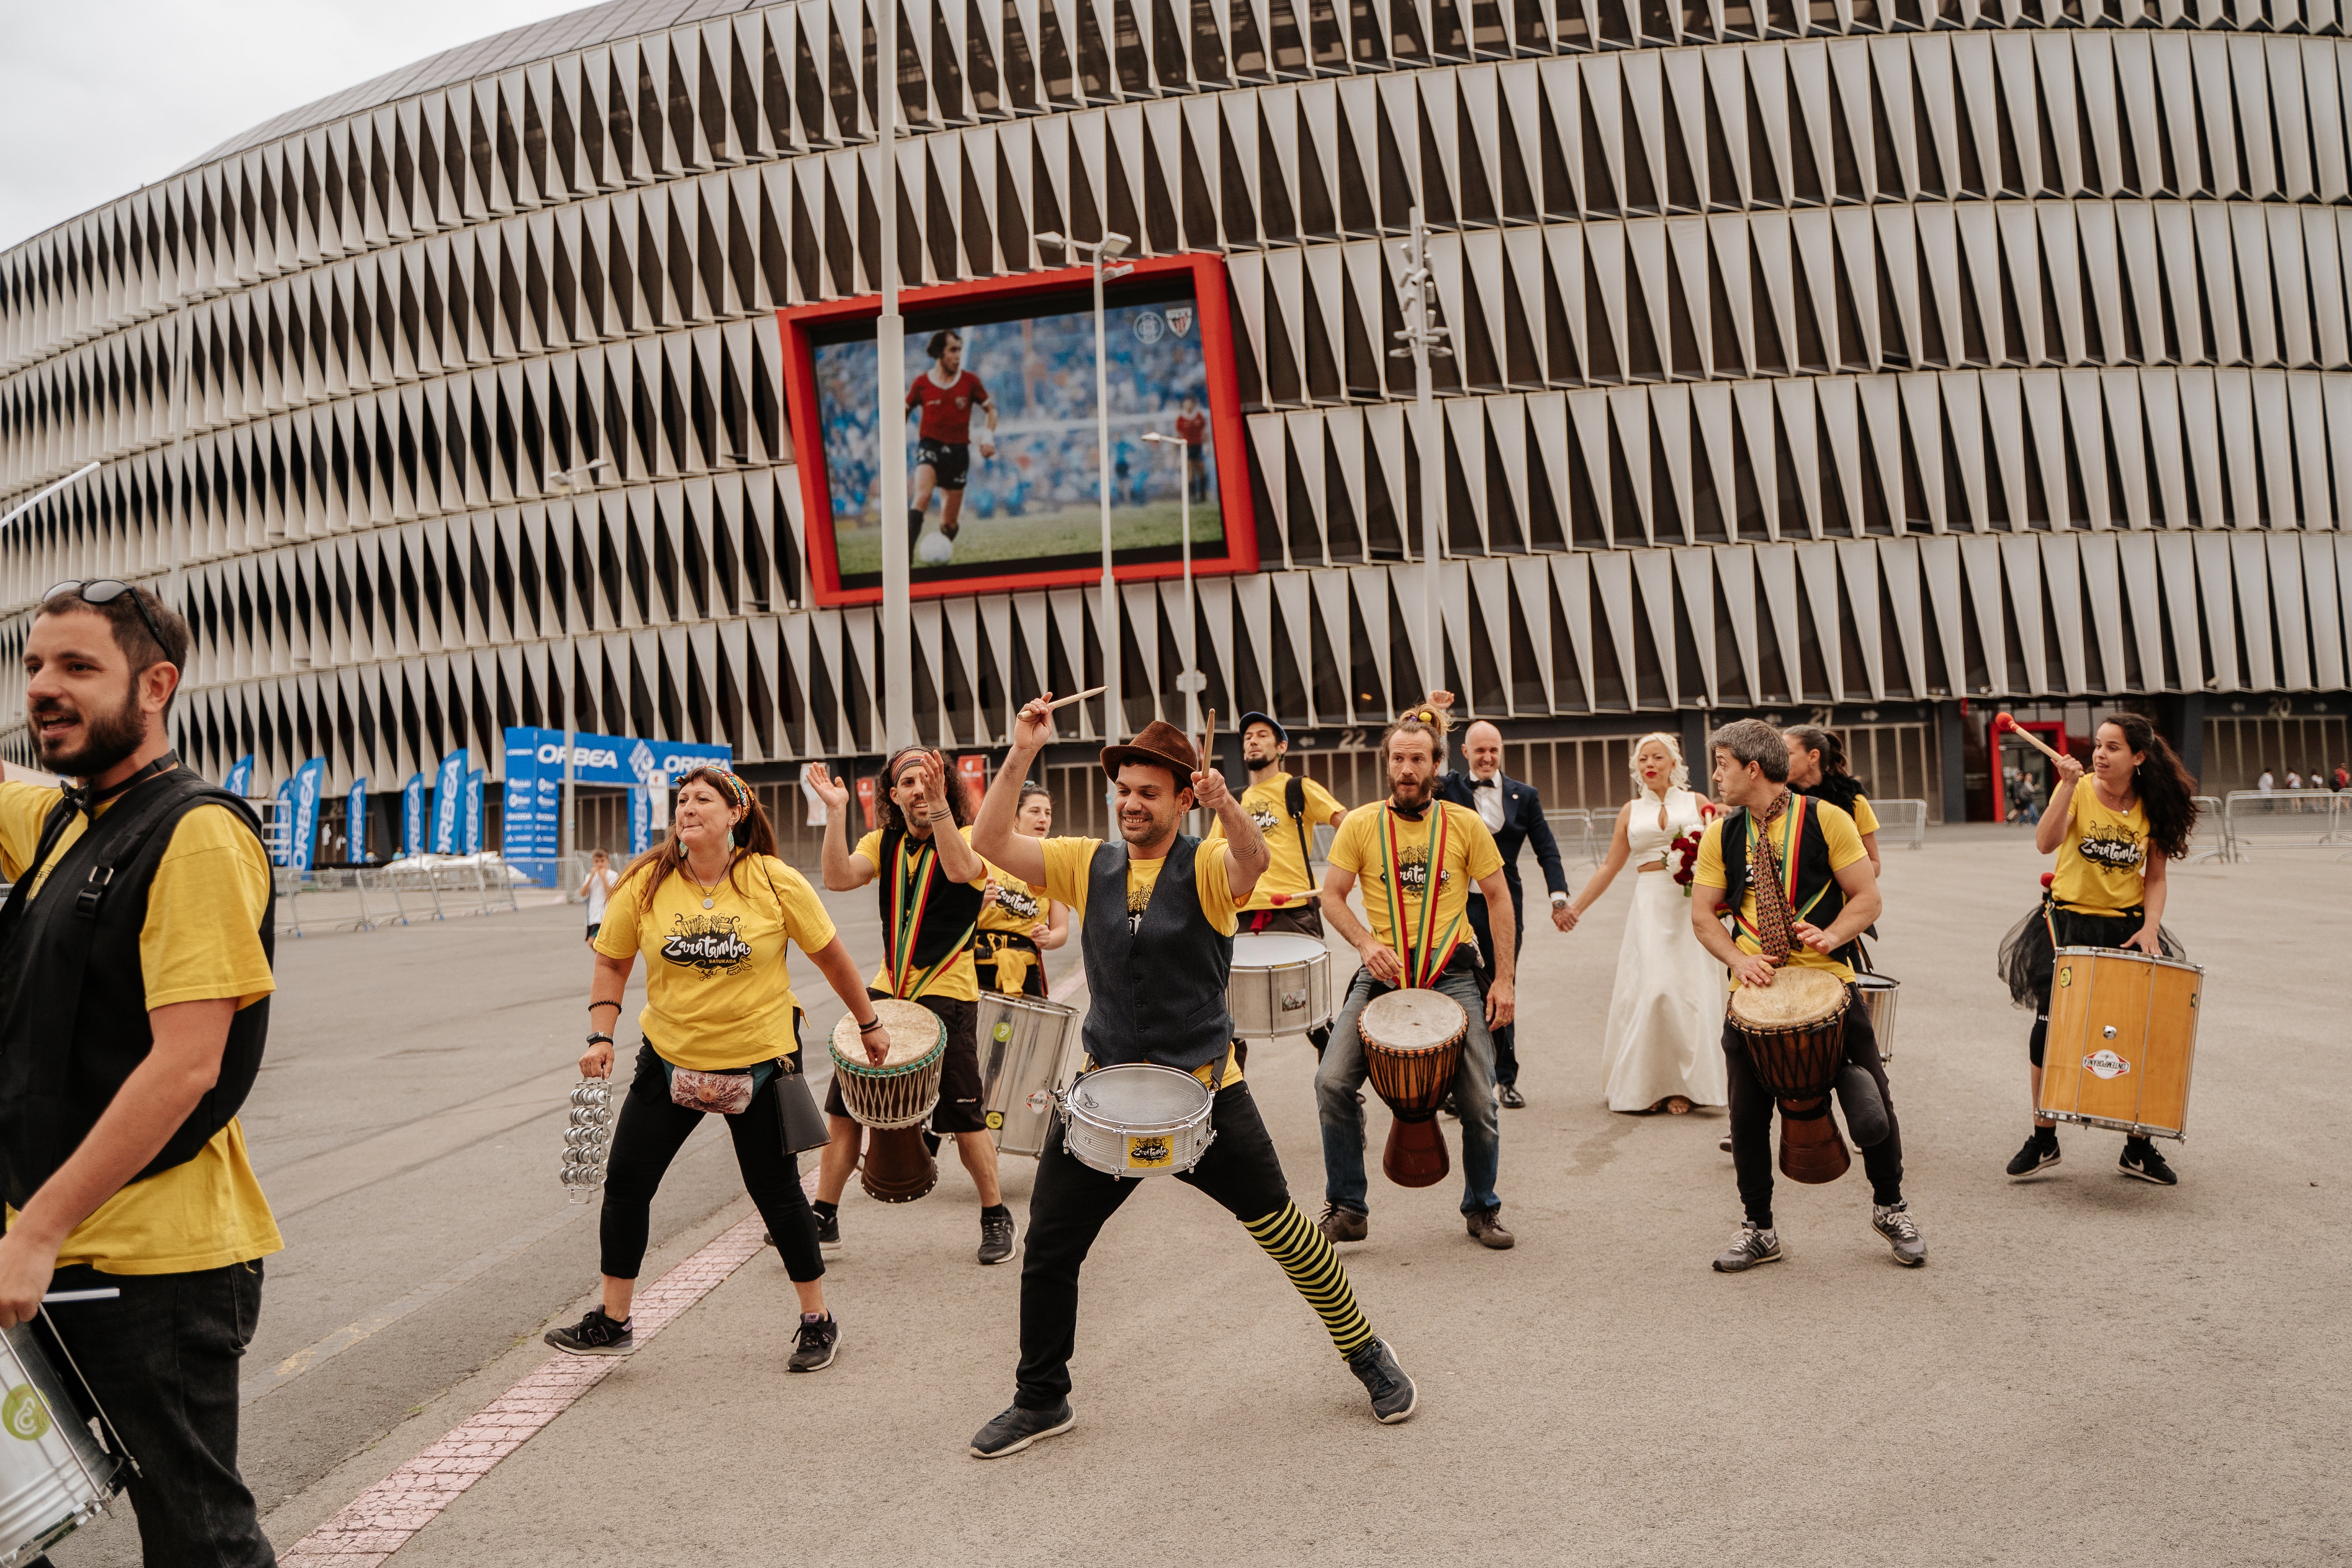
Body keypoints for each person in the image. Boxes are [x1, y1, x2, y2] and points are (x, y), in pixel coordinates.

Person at [965, 706, 1417, 1456]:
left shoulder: (1205, 863)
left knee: (1287, 1234)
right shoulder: (1088, 861)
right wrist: (1021, 750)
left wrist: (1227, 806)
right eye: (1125, 789)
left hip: (1207, 1088)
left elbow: (1252, 865)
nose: (1132, 802)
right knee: (1049, 1245)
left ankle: (1368, 1352)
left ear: (1181, 799)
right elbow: (988, 841)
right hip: (1104, 1095)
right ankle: (1041, 1397)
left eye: (1149, 791)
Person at [0, 582, 278, 1568]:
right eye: (35, 666)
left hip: (153, 1263)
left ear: (156, 684)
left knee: (198, 1539)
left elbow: (186, 1066)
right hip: (50, 1244)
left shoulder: (194, 831)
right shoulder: (67, 822)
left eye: (77, 668)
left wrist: (37, 1229)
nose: (43, 688)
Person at [548, 767, 879, 1372]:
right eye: (681, 799)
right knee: (626, 1185)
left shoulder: (773, 881)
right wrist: (601, 1034)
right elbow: (612, 962)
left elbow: (831, 957)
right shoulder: (646, 884)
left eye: (703, 799)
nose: (688, 807)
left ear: (736, 815)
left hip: (759, 1062)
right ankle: (613, 1320)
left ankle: (817, 1320)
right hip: (669, 1059)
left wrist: (868, 1023)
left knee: (776, 1195)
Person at [1689, 718, 1924, 1273]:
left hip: (1830, 988)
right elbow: (1702, 915)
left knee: (1876, 1110)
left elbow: (1866, 896)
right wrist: (1737, 959)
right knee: (1746, 1119)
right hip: (1752, 999)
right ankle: (1759, 1228)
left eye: (1722, 764)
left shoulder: (1827, 819)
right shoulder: (1722, 835)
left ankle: (1891, 1208)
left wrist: (1834, 934)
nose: (1716, 776)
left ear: (1752, 768)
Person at [1315, 706, 1518, 1250]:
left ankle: (1482, 1208)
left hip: (1451, 973)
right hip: (1381, 974)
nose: (1406, 768)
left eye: (1417, 759)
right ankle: (1348, 1206)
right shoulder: (1359, 824)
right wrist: (1364, 942)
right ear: (1387, 764)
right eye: (1397, 758)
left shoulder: (1465, 823)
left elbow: (1498, 898)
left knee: (1479, 1101)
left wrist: (1504, 982)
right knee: (1330, 1082)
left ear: (1436, 765)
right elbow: (1331, 896)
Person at [805, 748, 1012, 1265]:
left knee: (965, 1118)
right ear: (893, 796)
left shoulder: (969, 836)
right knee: (844, 1107)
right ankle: (823, 1215)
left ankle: (994, 1215)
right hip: (887, 992)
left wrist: (942, 808)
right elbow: (836, 877)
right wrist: (834, 813)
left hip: (950, 992)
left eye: (930, 780)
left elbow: (963, 870)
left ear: (946, 786)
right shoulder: (883, 842)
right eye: (909, 783)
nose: (920, 789)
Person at [1995, 714, 2199, 1186]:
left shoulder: (2154, 803)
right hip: (2065, 921)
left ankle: (2137, 1146)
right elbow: (2045, 843)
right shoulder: (2080, 788)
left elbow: (2155, 878)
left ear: (2138, 757)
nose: (2100, 754)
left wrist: (2150, 927)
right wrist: (2065, 787)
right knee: (2047, 1030)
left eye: (2112, 747)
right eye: (2098, 746)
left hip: (2127, 928)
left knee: (2133, 1033)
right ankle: (2043, 1136)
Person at [1567, 732, 1725, 1115]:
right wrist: (1577, 908)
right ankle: (1648, 1085)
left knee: (1688, 993)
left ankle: (1686, 1088)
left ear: (1674, 763)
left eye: (1658, 757)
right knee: (1652, 991)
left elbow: (1721, 854)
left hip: (1691, 905)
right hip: (1651, 906)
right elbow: (1610, 866)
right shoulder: (1630, 811)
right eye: (1643, 760)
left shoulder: (1698, 803)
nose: (1650, 765)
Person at [1430, 711, 1571, 1108]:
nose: (1487, 757)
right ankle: (1458, 1086)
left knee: (1502, 987)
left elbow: (1546, 848)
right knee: (1457, 991)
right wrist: (1434, 718)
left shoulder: (1523, 795)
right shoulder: (1448, 787)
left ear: (1500, 752)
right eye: (1479, 750)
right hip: (1455, 905)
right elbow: (1422, 758)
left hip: (1503, 905)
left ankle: (1503, 1079)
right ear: (1464, 752)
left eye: (1493, 750)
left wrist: (1558, 897)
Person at [1203, 711, 1349, 1057]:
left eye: (1262, 735)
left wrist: (1347, 873)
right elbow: (1210, 855)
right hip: (1240, 916)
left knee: (1314, 1016)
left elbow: (1348, 825)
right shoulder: (1232, 800)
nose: (1252, 740)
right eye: (1247, 737)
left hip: (1294, 911)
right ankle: (1229, 1102)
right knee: (1231, 1024)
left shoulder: (1298, 788)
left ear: (1281, 746)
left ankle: (1340, 1094)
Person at [973, 782, 1068, 997]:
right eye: (1034, 812)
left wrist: (1048, 938)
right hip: (978, 965)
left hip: (1026, 968)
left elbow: (1061, 931)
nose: (1043, 819)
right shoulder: (985, 856)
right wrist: (978, 904)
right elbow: (951, 920)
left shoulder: (1055, 866)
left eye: (1048, 813)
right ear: (1014, 819)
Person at [906, 328, 998, 549]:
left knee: (949, 524)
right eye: (953, 350)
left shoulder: (970, 382)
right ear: (940, 353)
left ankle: (943, 548)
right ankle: (905, 559)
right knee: (922, 497)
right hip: (930, 446)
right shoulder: (921, 384)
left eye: (960, 350)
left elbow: (991, 412)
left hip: (958, 453)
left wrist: (988, 438)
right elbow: (904, 410)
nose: (958, 356)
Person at [1785, 726, 1881, 872]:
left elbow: (1874, 864)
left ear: (1813, 757)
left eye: (1787, 753)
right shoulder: (1778, 802)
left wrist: (1833, 879)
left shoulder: (1855, 802)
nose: (1780, 760)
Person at [1174, 394, 1210, 503]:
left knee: (1202, 471)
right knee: (1190, 472)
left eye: (1190, 403)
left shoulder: (1199, 416)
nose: (1188, 405)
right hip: (1187, 446)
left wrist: (1207, 446)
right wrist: (1176, 452)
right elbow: (1178, 434)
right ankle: (1193, 497)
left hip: (1198, 446)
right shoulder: (1181, 418)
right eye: (1186, 403)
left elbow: (1205, 432)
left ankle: (1203, 495)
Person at [580, 847, 619, 944]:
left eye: (602, 861)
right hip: (593, 916)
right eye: (597, 862)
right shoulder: (590, 876)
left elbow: (611, 893)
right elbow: (583, 893)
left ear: (608, 861)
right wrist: (592, 877)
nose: (600, 864)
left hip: (605, 914)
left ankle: (605, 959)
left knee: (592, 942)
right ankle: (607, 959)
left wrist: (604, 878)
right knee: (597, 943)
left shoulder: (613, 875)